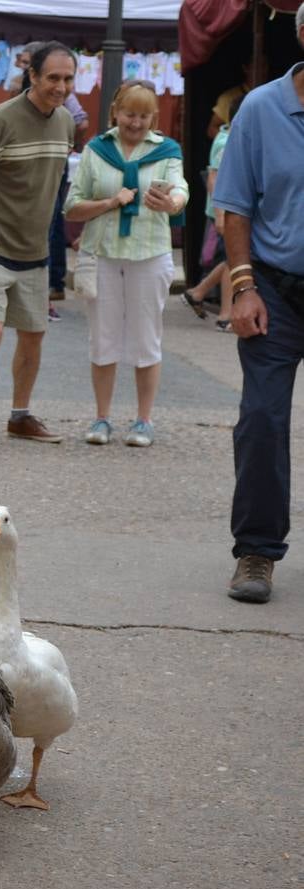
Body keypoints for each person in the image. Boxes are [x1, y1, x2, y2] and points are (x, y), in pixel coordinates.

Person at [212, 5, 304, 604]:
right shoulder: (262, 108)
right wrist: (242, 287)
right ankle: (256, 551)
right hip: (275, 287)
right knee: (264, 421)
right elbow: (236, 204)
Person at [0, 41, 77, 452]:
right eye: (53, 78)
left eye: (68, 79)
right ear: (33, 76)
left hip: (34, 251)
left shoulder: (66, 123)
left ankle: (20, 416)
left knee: (33, 335)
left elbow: (56, 184)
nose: (61, 87)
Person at [63, 80, 188, 449]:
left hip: (149, 252)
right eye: (130, 114)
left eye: (144, 116)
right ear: (116, 111)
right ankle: (102, 418)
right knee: (103, 337)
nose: (136, 123)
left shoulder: (167, 149)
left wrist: (172, 203)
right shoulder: (96, 151)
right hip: (102, 253)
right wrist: (110, 202)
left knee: (147, 337)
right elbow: (72, 205)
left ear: (154, 116)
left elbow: (181, 189)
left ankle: (143, 420)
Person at [184, 94, 243, 332]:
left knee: (233, 259)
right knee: (233, 260)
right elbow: (214, 178)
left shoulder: (232, 137)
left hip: (231, 210)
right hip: (225, 211)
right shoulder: (226, 140)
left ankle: (199, 292)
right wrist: (220, 215)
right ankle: (225, 313)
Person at [47, 90, 91, 321]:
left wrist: (70, 144)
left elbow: (82, 123)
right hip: (56, 158)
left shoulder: (61, 97)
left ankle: (51, 283)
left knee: (50, 220)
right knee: (52, 220)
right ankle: (53, 283)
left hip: (54, 159)